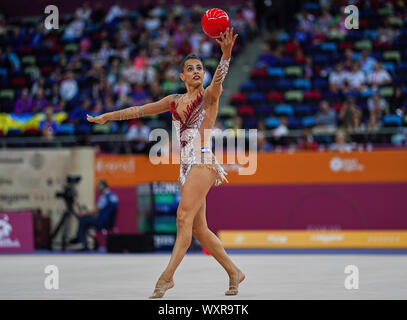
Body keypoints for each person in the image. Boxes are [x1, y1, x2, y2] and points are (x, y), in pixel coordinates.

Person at [87, 27, 245, 298]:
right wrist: (107, 117)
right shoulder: (173, 101)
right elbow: (139, 110)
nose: (196, 71)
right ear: (182, 76)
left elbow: (218, 82)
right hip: (185, 167)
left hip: (202, 160)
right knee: (199, 228)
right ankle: (233, 271)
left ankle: (167, 277)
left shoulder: (208, 96)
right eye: (190, 68)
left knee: (182, 218)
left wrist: (226, 56)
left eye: (200, 67)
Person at [73, 180, 118, 251]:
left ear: (102, 187)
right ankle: (81, 239)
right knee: (85, 223)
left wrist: (84, 213)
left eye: (98, 187)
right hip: (109, 222)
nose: (97, 189)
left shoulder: (104, 197)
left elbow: (95, 211)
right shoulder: (113, 196)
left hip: (102, 222)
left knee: (82, 220)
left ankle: (82, 243)